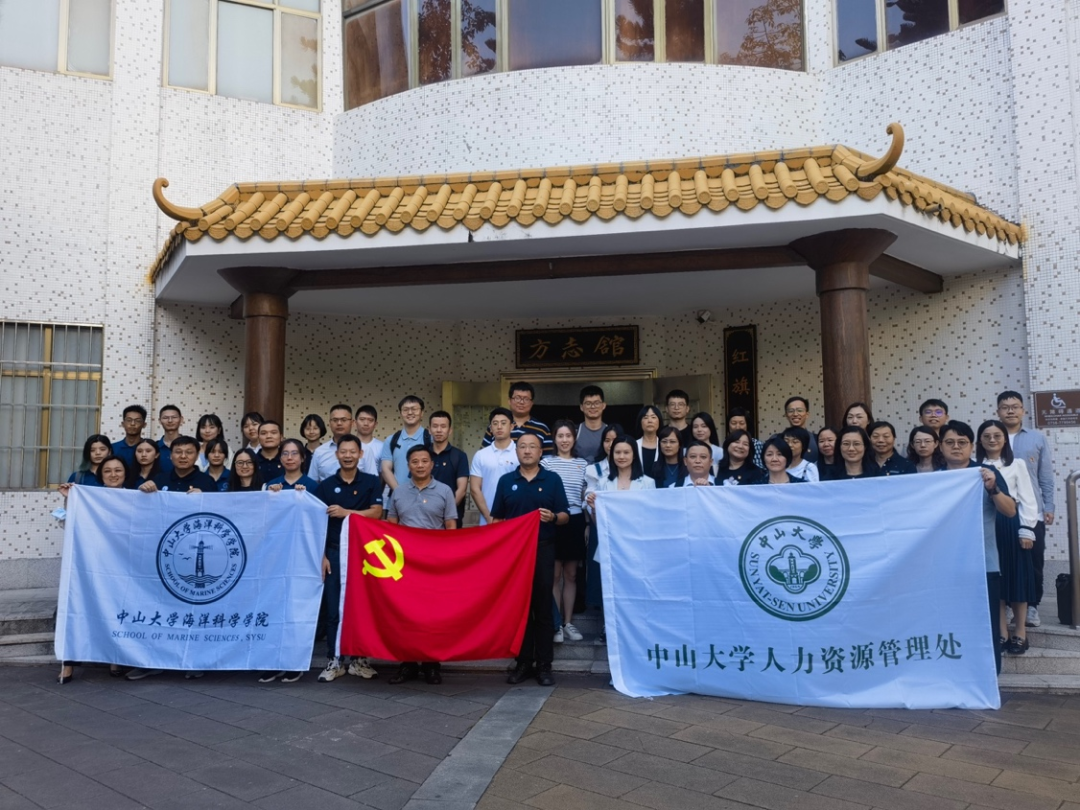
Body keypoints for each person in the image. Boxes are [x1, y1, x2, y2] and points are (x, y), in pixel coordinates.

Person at [491, 433, 569, 687]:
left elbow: (565, 515)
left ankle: (544, 665)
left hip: (543, 549)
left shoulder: (552, 479)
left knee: (543, 607)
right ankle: (523, 662)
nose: (526, 451)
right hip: (514, 555)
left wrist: (553, 517)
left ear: (540, 452)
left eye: (532, 447)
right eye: (522, 447)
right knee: (519, 608)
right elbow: (497, 519)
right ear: (516, 452)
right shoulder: (506, 481)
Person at [940, 420, 1016, 675]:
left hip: (984, 565)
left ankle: (988, 677)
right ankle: (953, 674)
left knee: (986, 625)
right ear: (940, 446)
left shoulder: (985, 473)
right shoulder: (933, 480)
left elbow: (1010, 511)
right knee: (949, 623)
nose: (956, 447)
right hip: (945, 568)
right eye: (950, 442)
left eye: (962, 442)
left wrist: (993, 489)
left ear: (971, 446)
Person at [385, 445, 457, 685]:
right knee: (405, 614)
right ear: (408, 465)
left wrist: (448, 559)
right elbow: (391, 527)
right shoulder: (398, 492)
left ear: (432, 464)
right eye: (415, 461)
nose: (420, 465)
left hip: (434, 564)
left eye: (424, 461)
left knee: (432, 616)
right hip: (405, 565)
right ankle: (407, 664)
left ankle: (431, 665)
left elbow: (451, 527)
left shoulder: (445, 491)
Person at [314, 435, 384, 683]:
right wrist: (322, 555)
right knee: (333, 607)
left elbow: (376, 513)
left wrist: (347, 513)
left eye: (352, 451)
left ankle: (359, 660)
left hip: (364, 554)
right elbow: (318, 523)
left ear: (360, 454)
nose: (347, 456)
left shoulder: (372, 482)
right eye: (343, 451)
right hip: (334, 552)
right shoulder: (325, 486)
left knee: (361, 606)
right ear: (337, 455)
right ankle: (334, 659)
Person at [56, 456, 130, 683]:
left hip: (121, 567)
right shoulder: (89, 498)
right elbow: (69, 525)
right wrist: (70, 500)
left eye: (118, 470)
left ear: (125, 473)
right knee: (76, 608)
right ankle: (68, 663)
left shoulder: (135, 497)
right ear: (100, 475)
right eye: (108, 471)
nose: (113, 475)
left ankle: (115, 658)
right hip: (89, 565)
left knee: (117, 610)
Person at [256, 438, 323, 685]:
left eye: (295, 453)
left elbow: (320, 524)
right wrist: (271, 498)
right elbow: (261, 520)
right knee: (273, 607)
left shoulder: (313, 486)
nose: (290, 457)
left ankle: (294, 663)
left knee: (298, 609)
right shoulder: (271, 486)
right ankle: (272, 662)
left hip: (304, 556)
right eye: (285, 453)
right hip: (275, 557)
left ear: (303, 458)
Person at [977, 419, 1039, 655]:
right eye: (986, 436)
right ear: (980, 440)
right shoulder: (975, 466)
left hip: (1011, 524)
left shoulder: (1017, 464)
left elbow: (1027, 497)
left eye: (997, 435)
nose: (992, 440)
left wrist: (1027, 529)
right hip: (988, 527)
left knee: (1017, 578)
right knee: (996, 579)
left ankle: (1020, 632)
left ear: (1005, 439)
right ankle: (1001, 632)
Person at [997, 390, 1055, 629]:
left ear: (1023, 410)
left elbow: (1045, 476)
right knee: (1004, 559)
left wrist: (1049, 506)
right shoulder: (991, 436)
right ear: (998, 411)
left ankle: (1032, 605)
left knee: (1033, 560)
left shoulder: (1036, 438)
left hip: (1032, 511)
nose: (1010, 410)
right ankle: (1008, 604)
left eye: (1015, 406)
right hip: (1000, 511)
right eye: (1005, 407)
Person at [542, 420, 589, 643]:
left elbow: (585, 496)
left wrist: (587, 524)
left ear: (574, 438)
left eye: (568, 436)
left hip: (576, 521)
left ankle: (568, 622)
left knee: (571, 575)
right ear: (554, 438)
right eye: (560, 436)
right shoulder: (546, 462)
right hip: (553, 520)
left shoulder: (583, 464)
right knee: (554, 575)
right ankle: (556, 623)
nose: (564, 440)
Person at [469, 408, 518, 525]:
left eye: (503, 423)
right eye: (495, 423)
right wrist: (489, 517)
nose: (499, 427)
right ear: (491, 428)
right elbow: (475, 489)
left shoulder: (520, 453)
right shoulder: (481, 455)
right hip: (487, 521)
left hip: (516, 520)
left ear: (511, 426)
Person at [481, 381, 553, 454]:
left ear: (532, 403)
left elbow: (548, 457)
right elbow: (484, 453)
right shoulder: (496, 426)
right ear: (509, 401)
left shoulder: (542, 428)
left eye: (526, 399)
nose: (521, 402)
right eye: (517, 398)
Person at [380, 396, 431, 494]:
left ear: (422, 413)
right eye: (405, 409)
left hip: (426, 497)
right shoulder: (391, 440)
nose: (410, 412)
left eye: (414, 409)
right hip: (397, 497)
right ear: (400, 413)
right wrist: (399, 493)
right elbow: (386, 469)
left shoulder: (430, 439)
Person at [585, 436, 656, 506]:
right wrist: (594, 508)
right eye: (617, 452)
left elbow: (652, 511)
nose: (621, 457)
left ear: (634, 455)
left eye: (626, 452)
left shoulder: (648, 483)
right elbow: (600, 512)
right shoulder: (602, 483)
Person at [428, 410, 469, 525]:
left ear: (450, 430)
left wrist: (446, 513)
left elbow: (462, 490)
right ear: (429, 430)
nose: (439, 430)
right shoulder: (423, 454)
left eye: (443, 426)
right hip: (425, 519)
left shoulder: (459, 456)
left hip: (451, 518)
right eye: (435, 426)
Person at [139, 436, 216, 494]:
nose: (183, 456)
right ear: (171, 455)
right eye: (178, 452)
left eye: (189, 452)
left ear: (197, 456)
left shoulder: (207, 482)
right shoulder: (159, 479)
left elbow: (215, 506)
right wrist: (143, 490)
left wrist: (204, 497)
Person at [311, 404, 355, 482]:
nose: (339, 423)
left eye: (344, 420)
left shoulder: (365, 450)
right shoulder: (319, 451)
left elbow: (371, 482)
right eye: (335, 420)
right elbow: (313, 482)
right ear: (330, 423)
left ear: (352, 423)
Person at [576, 385, 607, 462]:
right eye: (588, 403)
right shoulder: (574, 432)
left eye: (597, 403)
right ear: (581, 407)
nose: (593, 407)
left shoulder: (610, 431)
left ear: (603, 405)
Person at [783, 396, 817, 462]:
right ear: (786, 415)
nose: (795, 414)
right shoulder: (778, 439)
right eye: (791, 411)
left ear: (807, 414)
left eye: (800, 410)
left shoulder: (817, 439)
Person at [355, 405, 384, 477]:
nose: (366, 424)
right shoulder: (346, 444)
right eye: (362, 419)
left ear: (375, 424)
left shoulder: (382, 447)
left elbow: (383, 474)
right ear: (355, 422)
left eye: (370, 420)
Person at [635, 405, 663, 473]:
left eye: (653, 417)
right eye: (645, 417)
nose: (650, 421)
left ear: (659, 421)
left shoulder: (664, 444)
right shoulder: (634, 445)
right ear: (640, 422)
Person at [156, 405, 184, 473]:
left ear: (181, 419)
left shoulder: (190, 446)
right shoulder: (154, 447)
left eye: (174, 417)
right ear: (160, 421)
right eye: (165, 418)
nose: (170, 421)